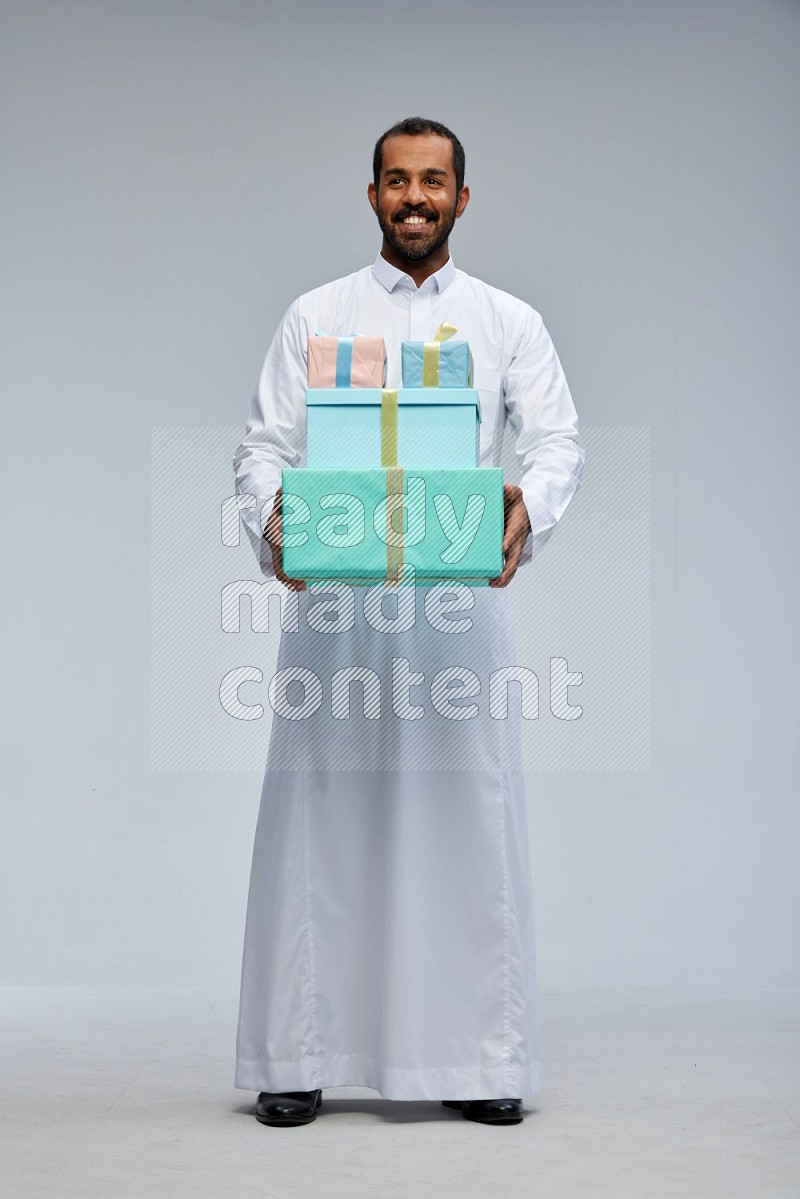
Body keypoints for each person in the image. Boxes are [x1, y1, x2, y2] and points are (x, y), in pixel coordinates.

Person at [232, 116, 585, 1127]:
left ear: (461, 198)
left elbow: (556, 438)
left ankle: (476, 1057)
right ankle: (297, 1052)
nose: (414, 197)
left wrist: (528, 505)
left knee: (459, 819)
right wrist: (274, 517)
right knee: (320, 819)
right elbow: (262, 444)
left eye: (433, 181)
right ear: (373, 194)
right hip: (337, 613)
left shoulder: (505, 321)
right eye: (396, 180)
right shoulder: (315, 315)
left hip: (452, 618)